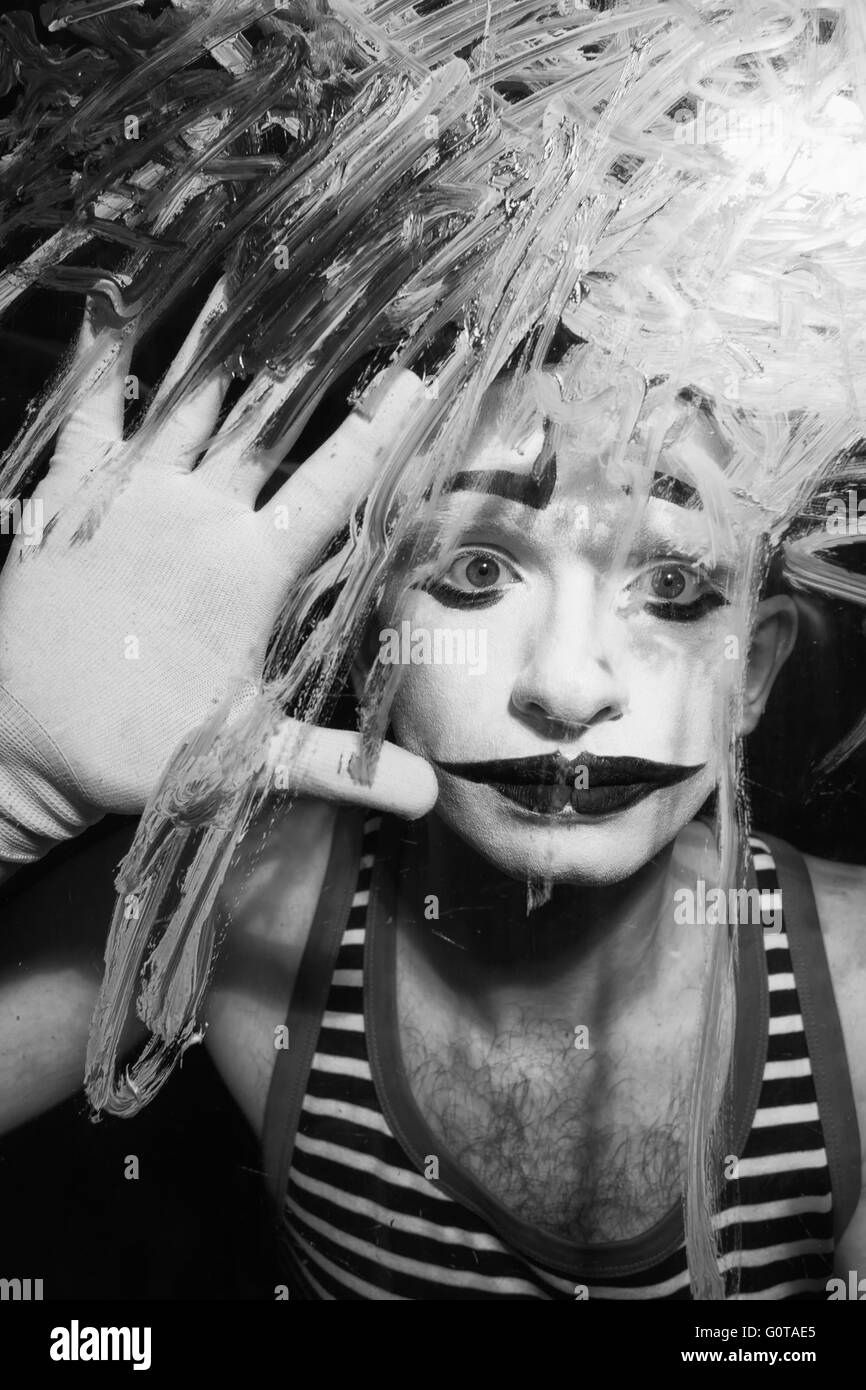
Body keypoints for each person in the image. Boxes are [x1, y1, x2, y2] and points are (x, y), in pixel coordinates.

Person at [0, 0, 864, 1303]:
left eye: (674, 584)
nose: (568, 686)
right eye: (474, 571)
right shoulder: (232, 900)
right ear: (371, 624)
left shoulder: (857, 989)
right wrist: (6, 776)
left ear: (749, 668)